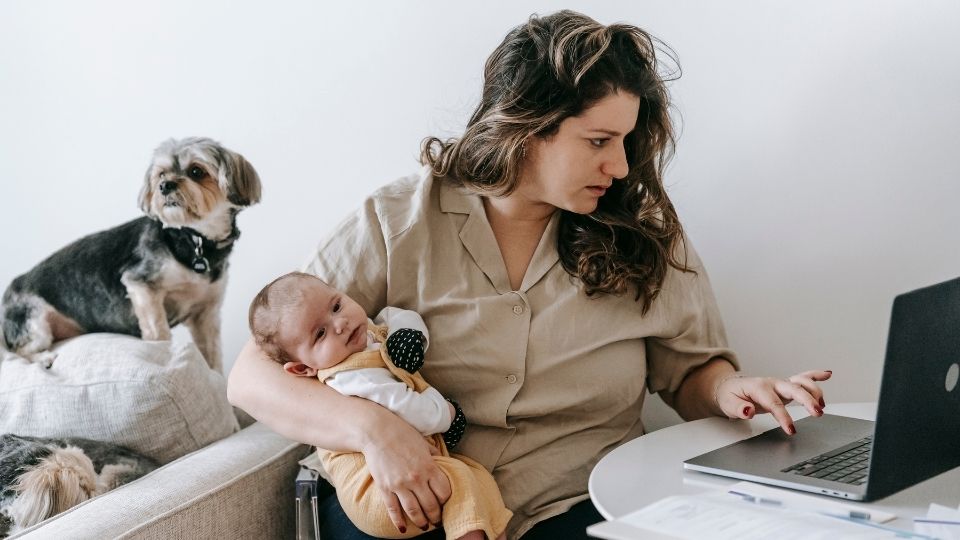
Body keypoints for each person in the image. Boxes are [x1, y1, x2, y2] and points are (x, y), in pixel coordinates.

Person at [228, 10, 831, 540]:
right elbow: (253, 376)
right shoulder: (395, 221)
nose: (620, 166)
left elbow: (692, 369)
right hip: (413, 504)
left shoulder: (643, 231)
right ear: (526, 128)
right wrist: (373, 428)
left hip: (577, 503)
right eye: (598, 140)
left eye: (625, 141)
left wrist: (730, 392)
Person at [247, 272, 511, 540]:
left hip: (410, 473)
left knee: (479, 478)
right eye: (320, 333)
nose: (340, 323)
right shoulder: (349, 376)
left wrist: (408, 336)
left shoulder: (366, 334)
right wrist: (447, 413)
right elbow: (411, 410)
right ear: (303, 368)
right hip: (377, 494)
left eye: (336, 306)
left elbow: (396, 315)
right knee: (461, 482)